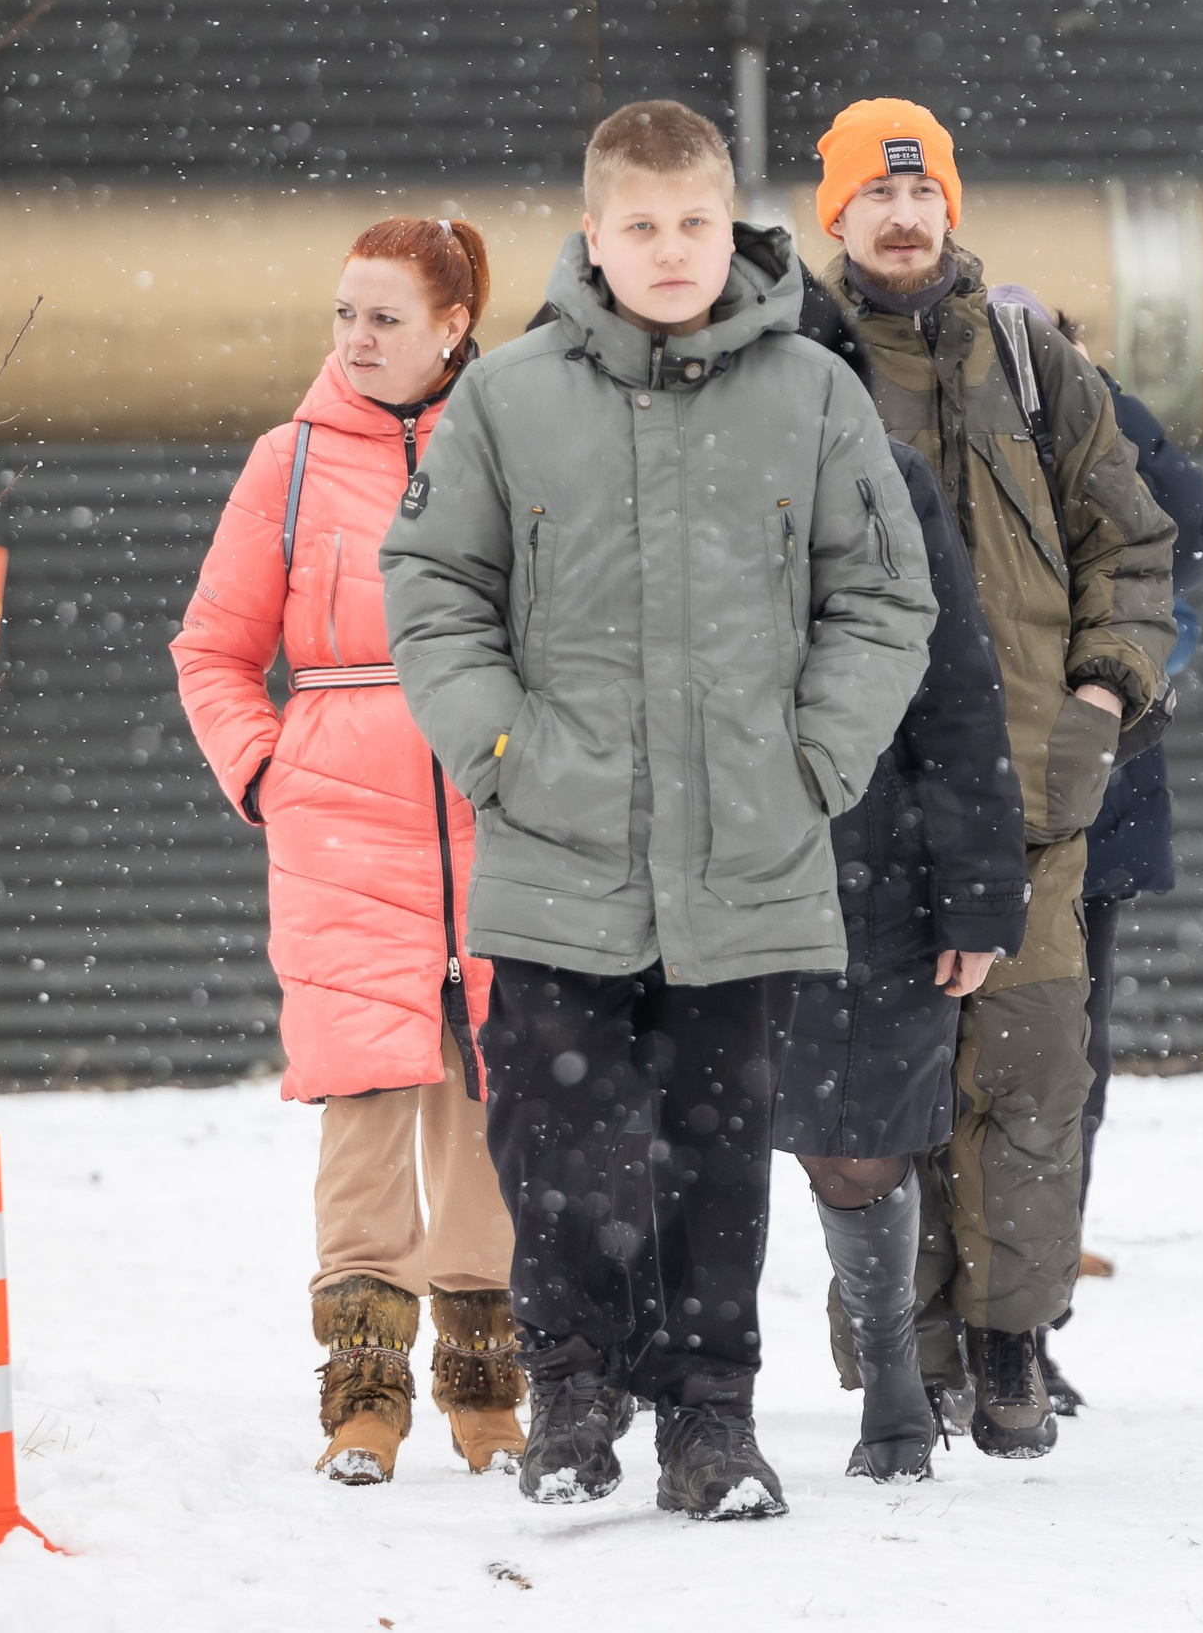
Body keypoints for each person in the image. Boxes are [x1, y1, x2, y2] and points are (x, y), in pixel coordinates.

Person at [380, 100, 936, 1516]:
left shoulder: (814, 392)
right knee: (556, 1137)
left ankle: (709, 1416)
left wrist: (812, 760)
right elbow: (434, 588)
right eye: (641, 225)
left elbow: (882, 597)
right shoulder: (508, 397)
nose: (671, 248)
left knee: (715, 1141)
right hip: (559, 838)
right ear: (593, 235)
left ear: (731, 223)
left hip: (745, 847)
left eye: (695, 221)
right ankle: (569, 1392)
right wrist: (499, 747)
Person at [812, 98, 1176, 1457]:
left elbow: (1134, 544)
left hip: (1035, 788)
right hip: (860, 798)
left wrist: (1102, 693)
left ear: (950, 206)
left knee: (1028, 1076)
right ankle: (898, 1358)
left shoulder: (1030, 361)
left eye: (924, 193)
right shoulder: (803, 366)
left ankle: (1012, 1346)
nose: (903, 216)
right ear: (834, 213)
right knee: (876, 1085)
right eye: (874, 196)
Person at [174, 214, 524, 1487]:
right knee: (368, 1107)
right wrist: (271, 776)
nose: (358, 339)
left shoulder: (517, 443)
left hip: (500, 818)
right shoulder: (290, 461)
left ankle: (492, 1391)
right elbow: (212, 650)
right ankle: (362, 1402)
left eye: (386, 317)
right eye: (344, 315)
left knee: (493, 1102)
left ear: (453, 329)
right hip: (341, 827)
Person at [771, 416, 1028, 1483]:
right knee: (664, 1134)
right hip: (659, 838)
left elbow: (954, 686)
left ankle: (891, 1389)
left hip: (858, 845)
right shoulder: (586, 433)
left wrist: (975, 895)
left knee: (854, 1130)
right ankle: (683, 1399)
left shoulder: (871, 464)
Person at [989, 286, 1203, 1417]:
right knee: (927, 1078)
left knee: (1061, 1080)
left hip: (1098, 816)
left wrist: (1093, 397)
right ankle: (934, 1330)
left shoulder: (1113, 439)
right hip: (956, 814)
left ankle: (1031, 1325)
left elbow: (1193, 525)